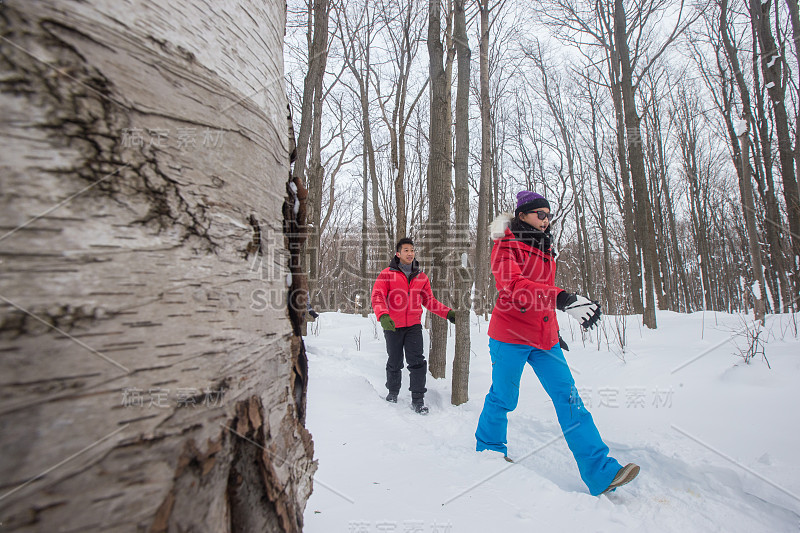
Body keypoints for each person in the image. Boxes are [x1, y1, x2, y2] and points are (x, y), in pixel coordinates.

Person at [474, 190, 639, 495]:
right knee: (503, 397)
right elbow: (514, 287)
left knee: (571, 400)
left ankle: (601, 472)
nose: (546, 220)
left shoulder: (546, 247)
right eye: (540, 214)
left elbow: (541, 290)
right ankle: (490, 451)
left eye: (549, 215)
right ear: (522, 215)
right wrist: (563, 298)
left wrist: (552, 326)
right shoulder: (505, 246)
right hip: (510, 335)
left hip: (543, 337)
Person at [371, 237, 455, 415]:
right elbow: (377, 296)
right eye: (406, 250)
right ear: (398, 253)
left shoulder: (421, 276)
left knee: (417, 362)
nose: (410, 253)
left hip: (413, 326)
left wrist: (447, 313)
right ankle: (392, 393)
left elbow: (429, 301)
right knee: (394, 361)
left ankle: (418, 399)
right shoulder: (387, 274)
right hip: (392, 325)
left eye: (412, 250)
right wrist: (383, 315)